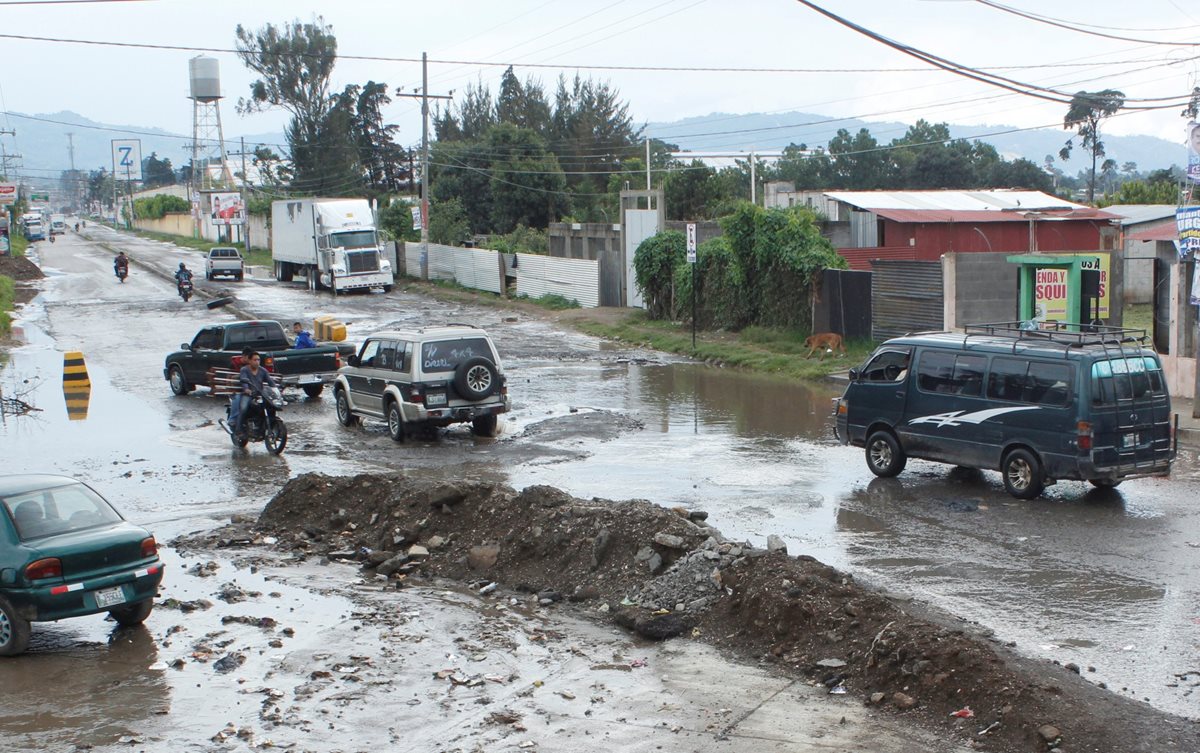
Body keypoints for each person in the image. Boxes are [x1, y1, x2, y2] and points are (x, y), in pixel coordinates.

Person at [234, 351, 277, 439]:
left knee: (271, 406)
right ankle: (238, 430)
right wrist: (246, 389)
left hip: (260, 394)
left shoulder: (263, 370)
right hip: (248, 395)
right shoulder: (244, 370)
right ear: (249, 361)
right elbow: (244, 380)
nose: (257, 362)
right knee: (243, 408)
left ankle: (263, 427)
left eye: (258, 360)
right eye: (255, 360)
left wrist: (276, 389)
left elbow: (270, 381)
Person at [227, 346, 254, 430]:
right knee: (237, 400)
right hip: (237, 389)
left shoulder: (252, 364)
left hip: (250, 389)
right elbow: (229, 378)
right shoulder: (234, 364)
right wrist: (231, 390)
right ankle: (233, 420)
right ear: (244, 356)